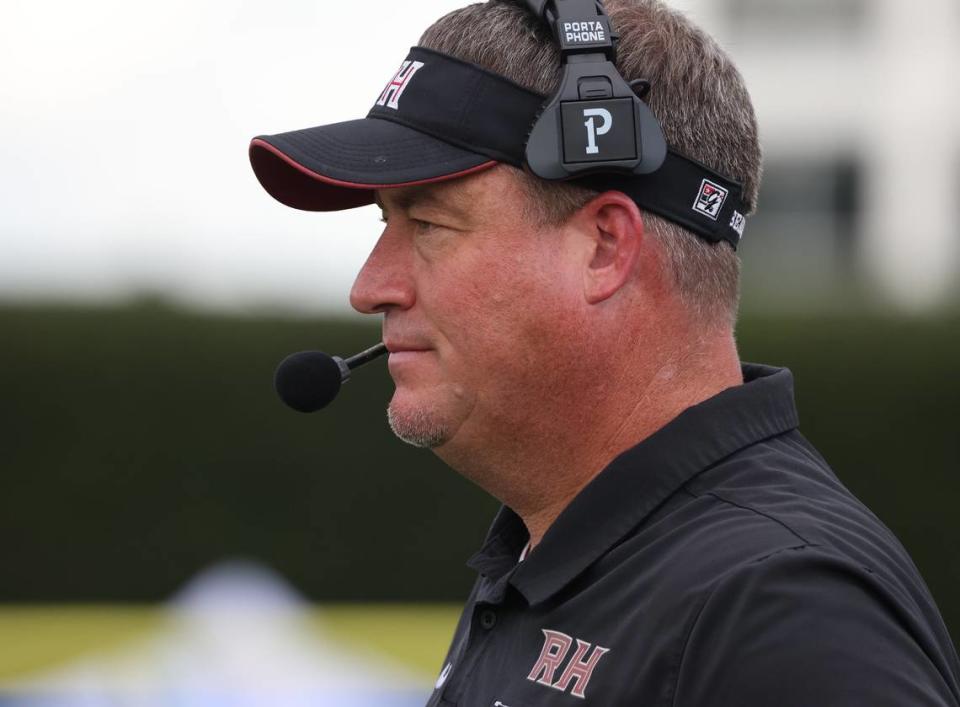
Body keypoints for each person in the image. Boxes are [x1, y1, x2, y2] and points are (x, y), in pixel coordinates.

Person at [249, 0, 960, 704]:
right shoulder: (562, 549)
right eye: (385, 221)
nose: (369, 287)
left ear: (605, 247)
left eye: (429, 222)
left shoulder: (780, 609)